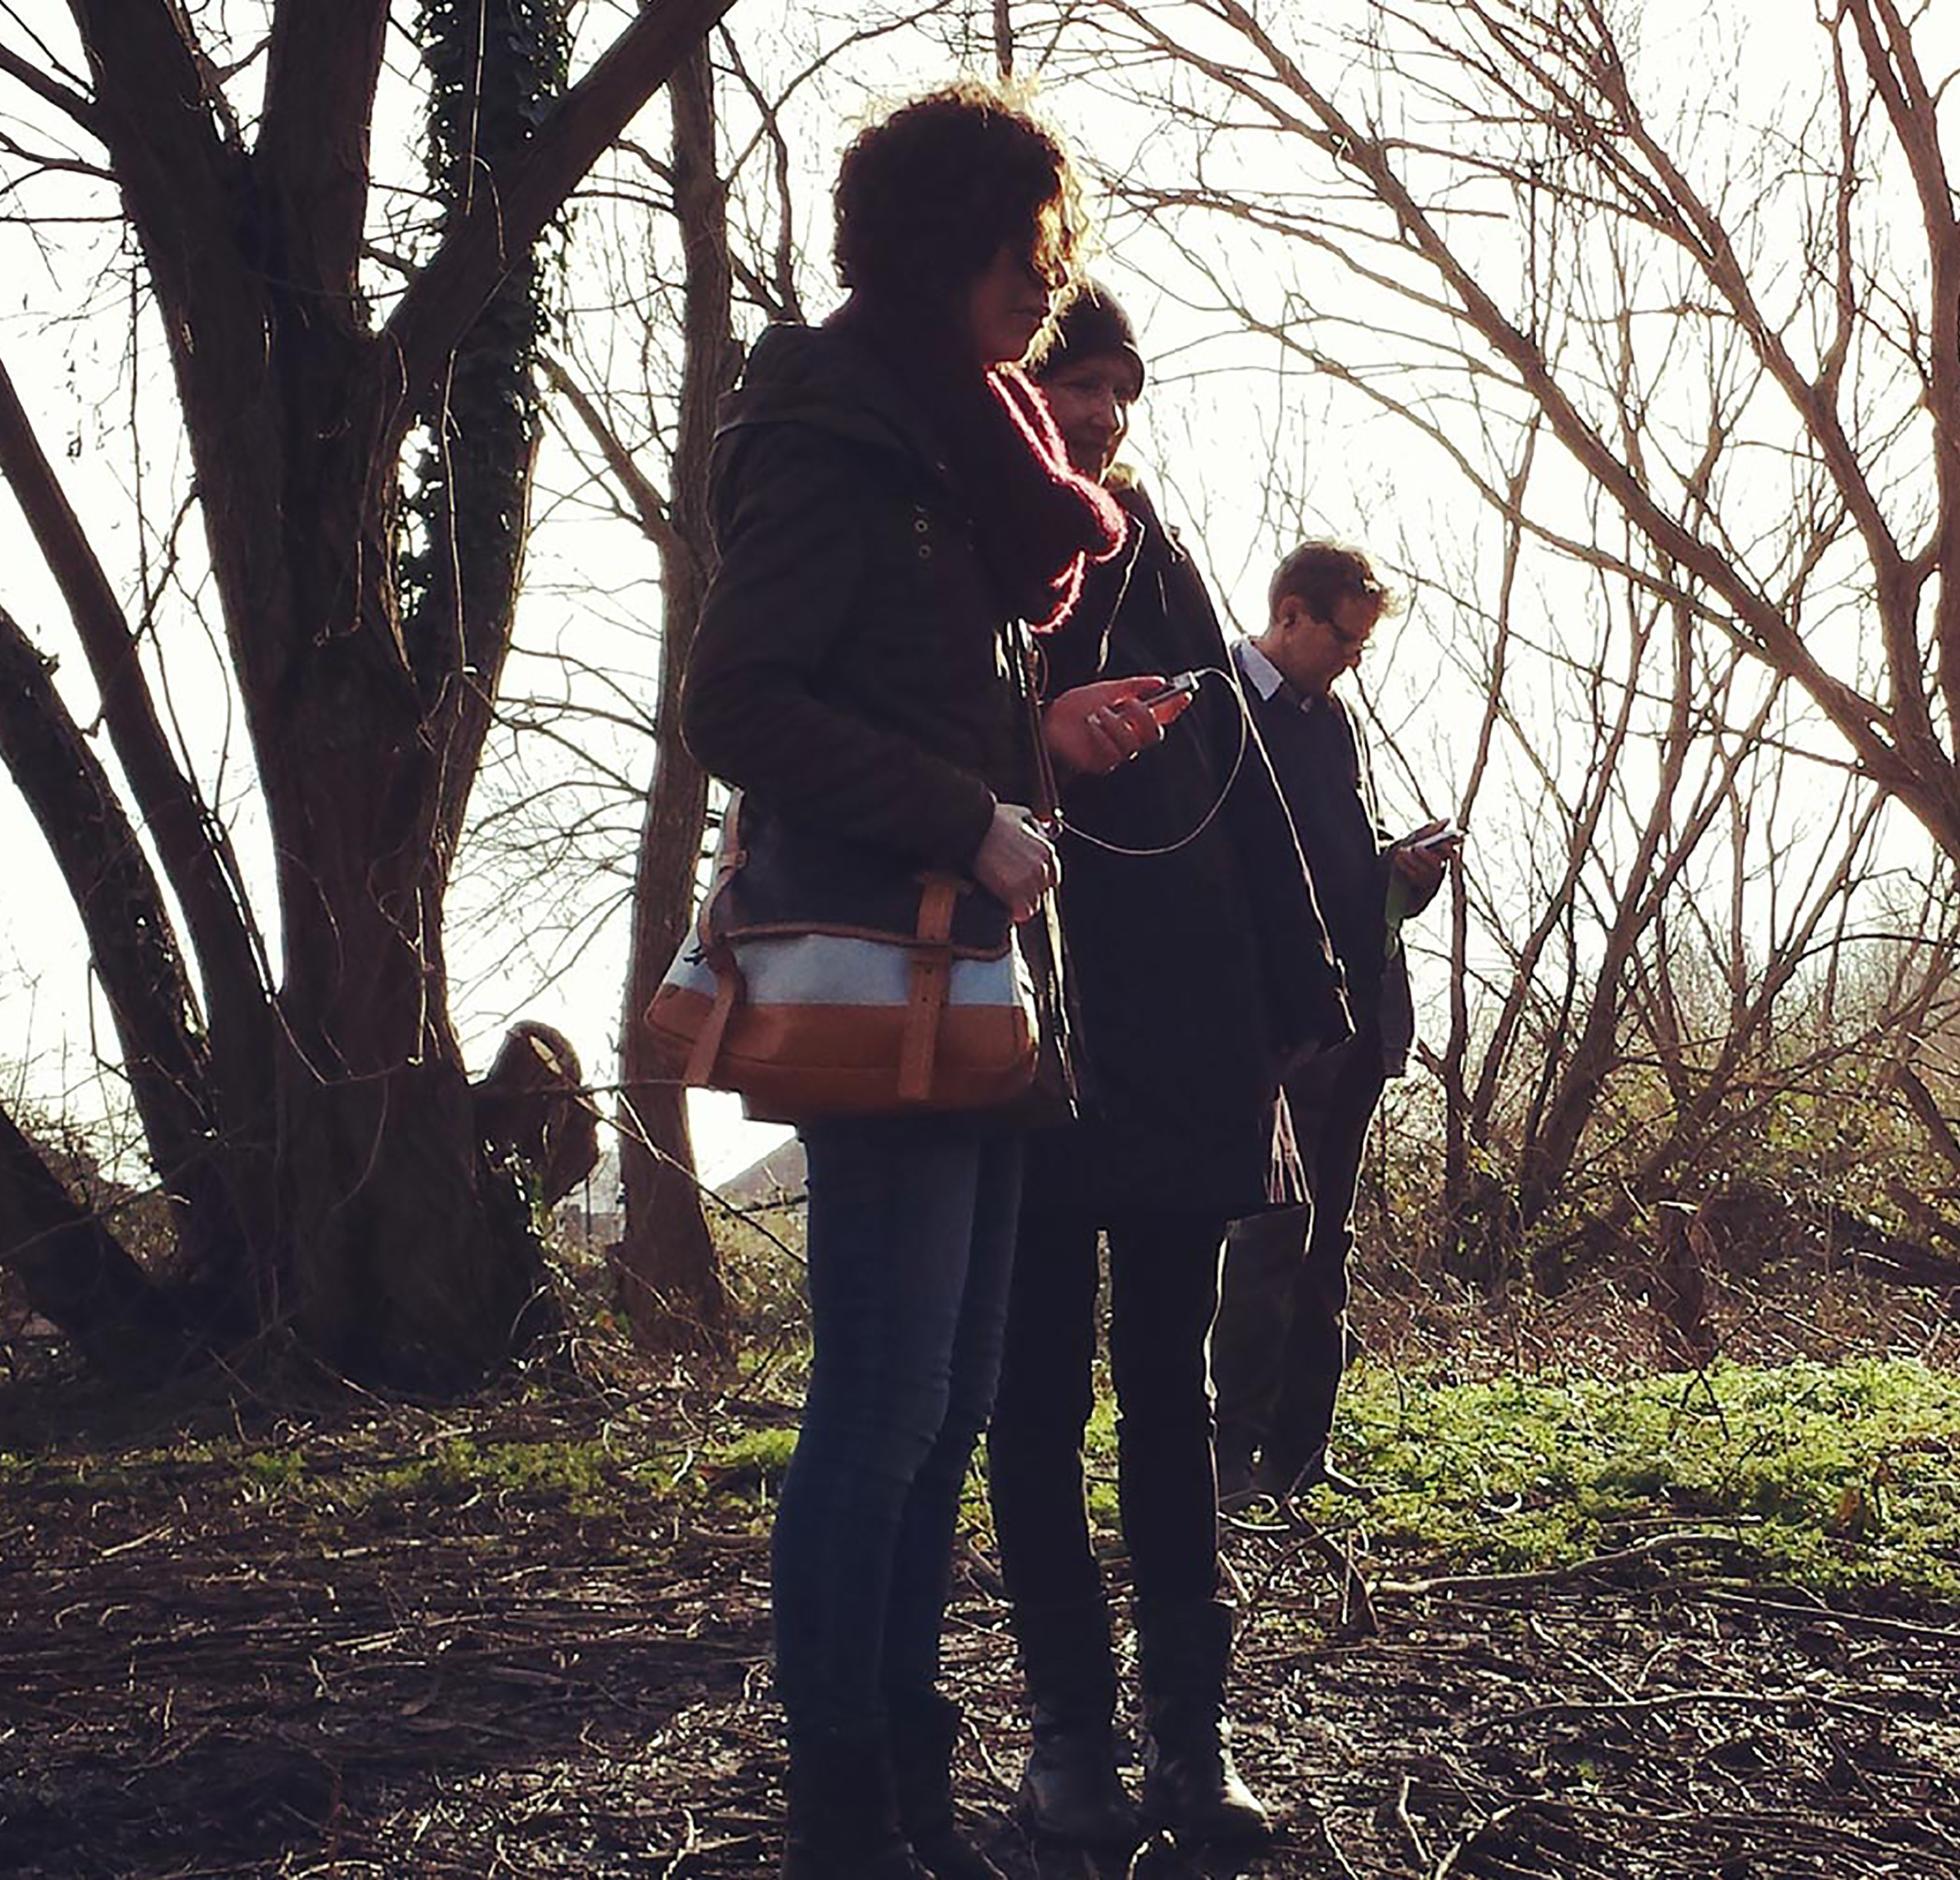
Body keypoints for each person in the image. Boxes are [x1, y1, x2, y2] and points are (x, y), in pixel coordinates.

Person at [680, 85, 1180, 1880]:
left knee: (950, 1394)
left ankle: (898, 1776)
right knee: (881, 1397)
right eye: (1028, 254)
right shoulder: (827, 427)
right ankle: (842, 1814)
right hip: (873, 961)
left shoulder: (963, 447)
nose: (1046, 294)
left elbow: (908, 698)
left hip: (962, 968)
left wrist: (1031, 755)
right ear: (951, 244)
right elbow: (740, 701)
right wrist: (969, 812)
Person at [986, 286, 1352, 1849]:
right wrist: (1030, 730)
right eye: (1075, 382)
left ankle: (1191, 1740)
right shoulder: (957, 539)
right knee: (1028, 1396)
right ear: (1015, 379)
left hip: (1185, 1030)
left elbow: (1245, 768)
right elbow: (869, 727)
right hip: (1021, 1034)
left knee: (1171, 1390)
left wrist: (1299, 977)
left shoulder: (1156, 554)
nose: (1101, 418)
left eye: (1121, 389)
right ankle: (1065, 1730)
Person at [1211, 541, 1455, 1502]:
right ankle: (1229, 1459)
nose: (1355, 657)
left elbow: (1343, 875)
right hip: (1269, 1026)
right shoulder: (1219, 710)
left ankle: (1300, 1456)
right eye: (1345, 639)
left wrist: (1404, 871)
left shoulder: (1334, 725)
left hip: (1355, 1020)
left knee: (1326, 1249)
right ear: (1291, 616)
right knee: (1266, 1239)